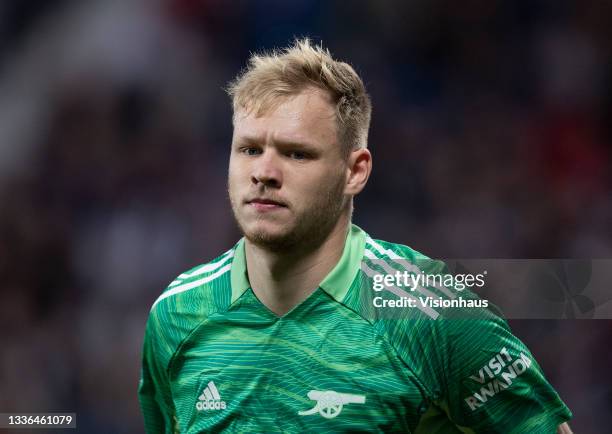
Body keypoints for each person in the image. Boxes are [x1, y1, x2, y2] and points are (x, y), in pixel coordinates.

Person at [138, 38, 572, 433]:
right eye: (249, 149)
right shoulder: (177, 315)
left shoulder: (433, 317)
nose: (264, 173)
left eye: (296, 153)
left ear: (355, 171)